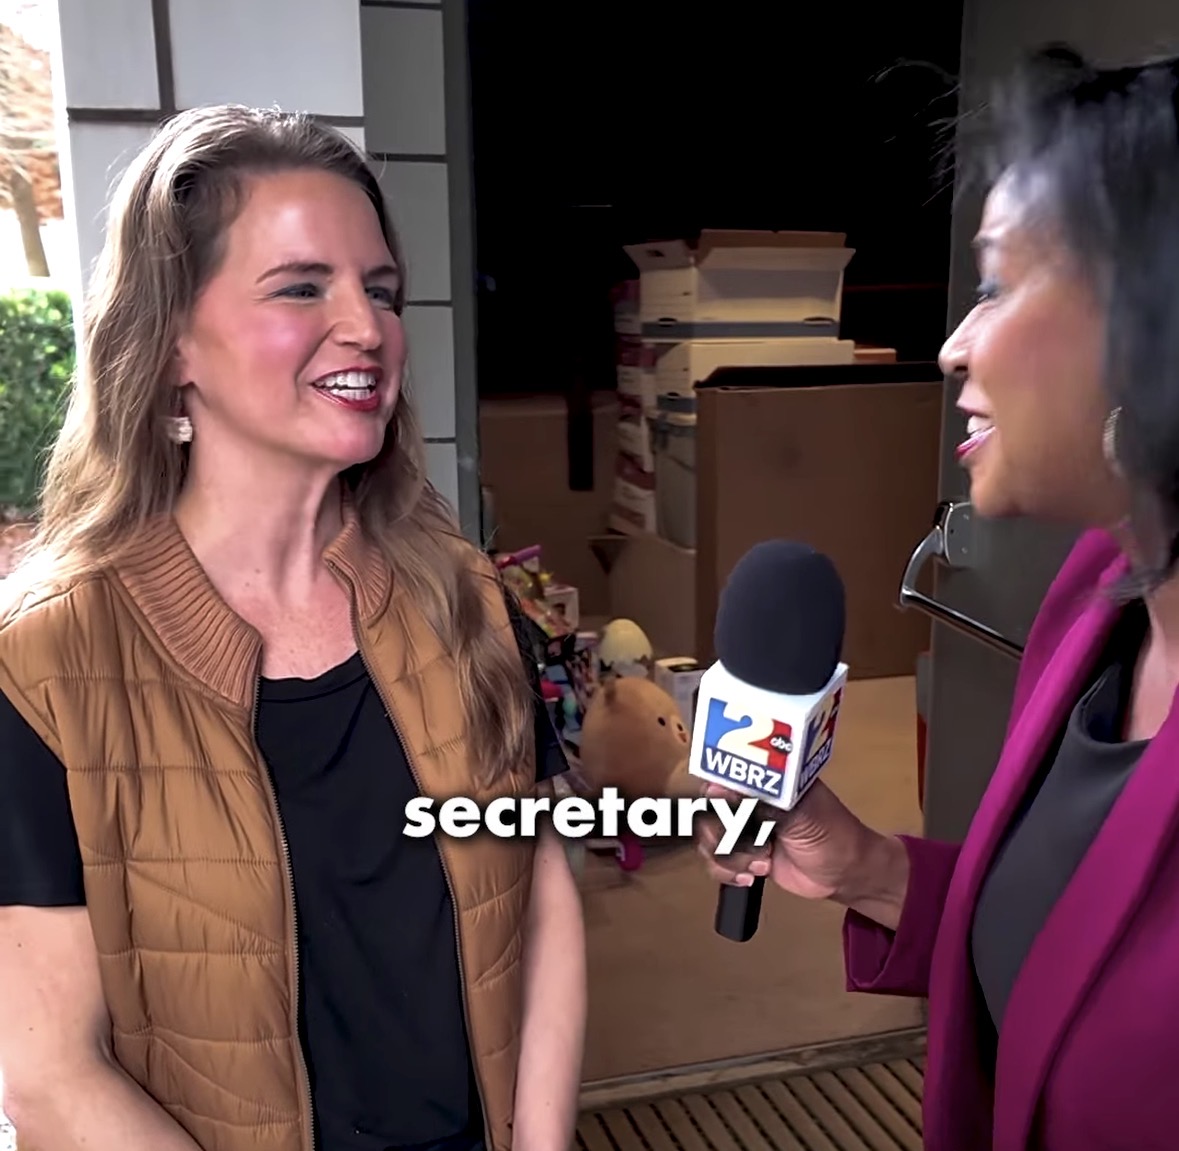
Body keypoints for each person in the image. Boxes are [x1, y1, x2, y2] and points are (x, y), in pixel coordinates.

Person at [0, 105, 586, 1151]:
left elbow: (538, 894)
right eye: (302, 287)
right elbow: (49, 1075)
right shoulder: (44, 664)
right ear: (172, 341)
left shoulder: (461, 595)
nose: (367, 326)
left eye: (381, 290)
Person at [698, 45, 1179, 1151]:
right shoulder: (1093, 592)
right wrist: (868, 867)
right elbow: (1062, 943)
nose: (954, 345)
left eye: (998, 285)